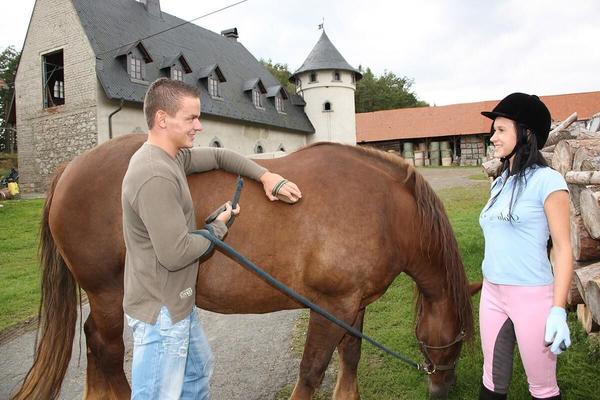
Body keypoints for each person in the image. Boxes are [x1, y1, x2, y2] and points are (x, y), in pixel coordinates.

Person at [121, 78, 302, 399]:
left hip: (178, 305)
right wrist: (217, 229)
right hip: (161, 315)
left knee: (196, 374)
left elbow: (220, 157)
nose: (199, 126)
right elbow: (175, 254)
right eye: (191, 118)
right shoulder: (154, 173)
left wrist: (266, 176)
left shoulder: (172, 157)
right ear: (163, 119)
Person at [477, 93, 573, 400]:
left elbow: (562, 249)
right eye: (494, 130)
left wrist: (558, 309)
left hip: (532, 297)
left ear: (526, 132)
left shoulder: (549, 181)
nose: (493, 137)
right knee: (492, 381)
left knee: (542, 389)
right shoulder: (499, 183)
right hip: (491, 294)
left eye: (501, 129)